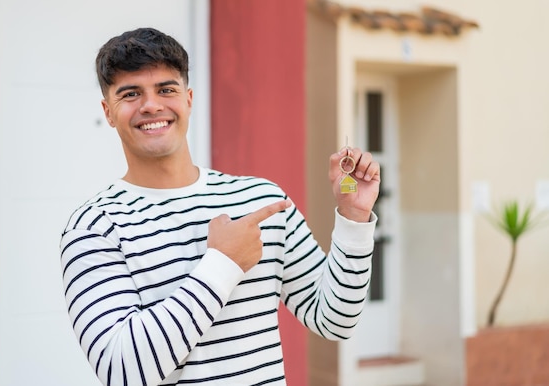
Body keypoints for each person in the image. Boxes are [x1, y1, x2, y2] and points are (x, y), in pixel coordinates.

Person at [59, 27, 380, 386]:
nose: (151, 105)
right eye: (131, 94)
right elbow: (124, 371)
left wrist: (354, 218)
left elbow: (334, 319)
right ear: (108, 111)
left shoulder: (261, 200)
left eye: (166, 89)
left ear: (189, 99)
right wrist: (222, 264)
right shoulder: (95, 226)